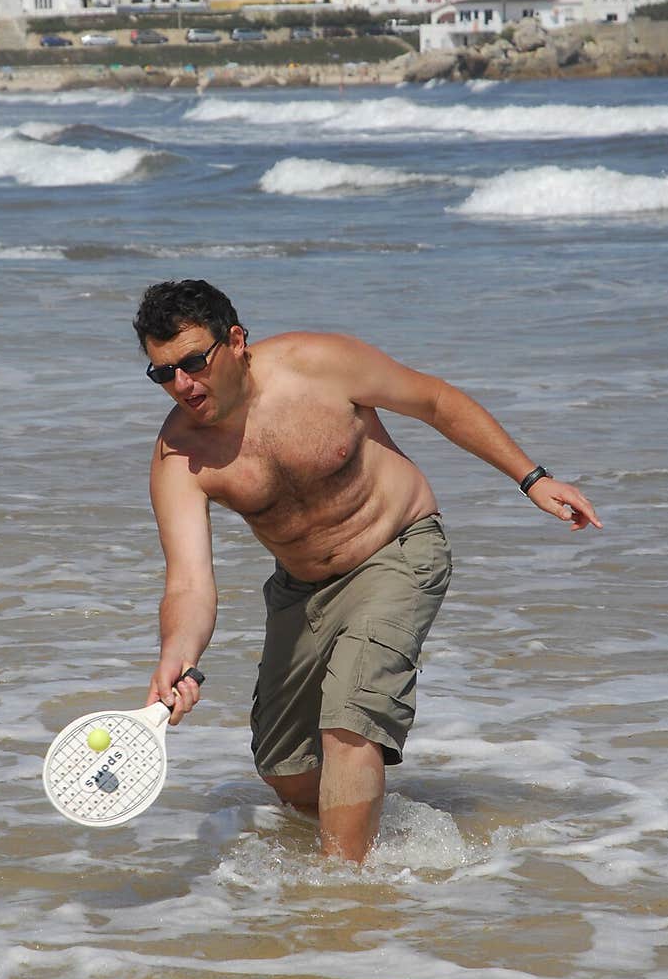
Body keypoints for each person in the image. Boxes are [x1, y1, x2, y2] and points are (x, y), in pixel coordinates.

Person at [133, 278, 602, 864]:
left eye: (193, 362)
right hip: (303, 588)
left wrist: (533, 478)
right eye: (163, 373)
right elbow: (189, 582)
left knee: (350, 722)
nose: (182, 384)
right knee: (287, 772)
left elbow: (435, 401)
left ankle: (346, 905)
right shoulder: (180, 455)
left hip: (397, 550)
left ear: (235, 341)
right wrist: (178, 654)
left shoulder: (321, 365)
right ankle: (375, 824)